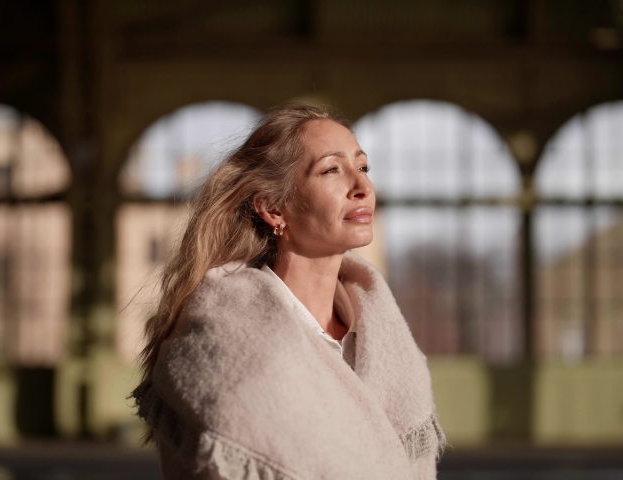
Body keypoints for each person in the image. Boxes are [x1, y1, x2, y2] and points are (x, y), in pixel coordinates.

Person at [131, 104, 445, 479]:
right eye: (331, 170)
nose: (362, 188)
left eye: (363, 167)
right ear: (273, 209)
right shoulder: (225, 337)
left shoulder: (386, 337)